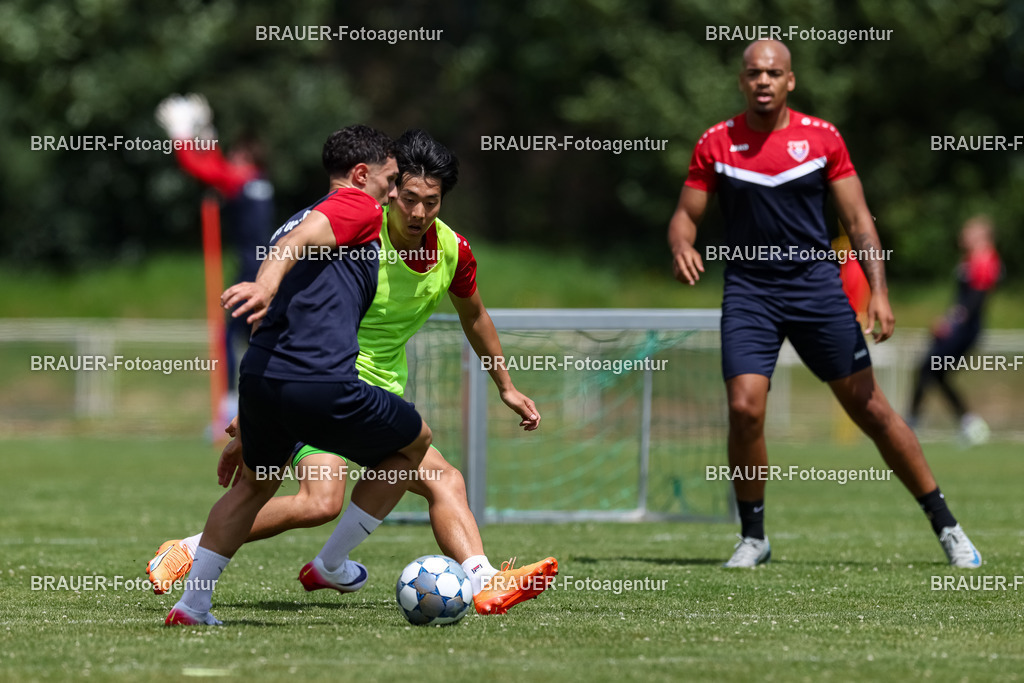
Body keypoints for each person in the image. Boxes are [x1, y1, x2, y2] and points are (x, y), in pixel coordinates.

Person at [152, 129, 556, 617]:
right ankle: (481, 580)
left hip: (333, 389)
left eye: (431, 202)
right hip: (328, 384)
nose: (417, 212)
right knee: (404, 476)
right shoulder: (360, 218)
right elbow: (297, 266)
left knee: (341, 492)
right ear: (388, 187)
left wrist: (506, 386)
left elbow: (475, 317)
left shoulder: (452, 251)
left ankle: (305, 567)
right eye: (406, 196)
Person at [667, 40, 982, 569]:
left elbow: (859, 222)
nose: (763, 81)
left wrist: (879, 291)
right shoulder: (716, 142)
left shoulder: (822, 138)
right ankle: (754, 537)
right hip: (750, 293)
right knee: (744, 409)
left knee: (872, 409)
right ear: (741, 82)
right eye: (753, 73)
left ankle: (946, 525)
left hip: (816, 290)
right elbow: (685, 214)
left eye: (773, 73)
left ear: (791, 81)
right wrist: (681, 244)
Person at [164, 125, 435, 626]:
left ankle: (192, 606)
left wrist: (246, 430)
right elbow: (296, 244)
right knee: (416, 441)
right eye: (392, 179)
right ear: (360, 175)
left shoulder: (294, 216)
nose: (395, 192)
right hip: (322, 382)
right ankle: (333, 561)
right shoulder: (355, 206)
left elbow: (295, 243)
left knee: (252, 486)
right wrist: (264, 285)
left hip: (264, 380)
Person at [155, 94, 275, 418]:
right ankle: (260, 403)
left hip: (250, 271)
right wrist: (206, 132)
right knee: (255, 337)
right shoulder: (256, 181)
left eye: (236, 153)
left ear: (247, 157)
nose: (231, 159)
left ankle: (230, 404)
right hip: (262, 267)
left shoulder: (242, 179)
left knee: (230, 337)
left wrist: (182, 135)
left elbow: (201, 169)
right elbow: (219, 168)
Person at [907, 216, 1002, 445]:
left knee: (927, 368)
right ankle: (969, 423)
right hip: (959, 327)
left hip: (965, 329)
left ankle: (911, 424)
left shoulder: (985, 259)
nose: (963, 235)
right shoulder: (970, 260)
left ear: (982, 235)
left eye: (969, 231)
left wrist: (951, 321)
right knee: (935, 373)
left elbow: (975, 301)